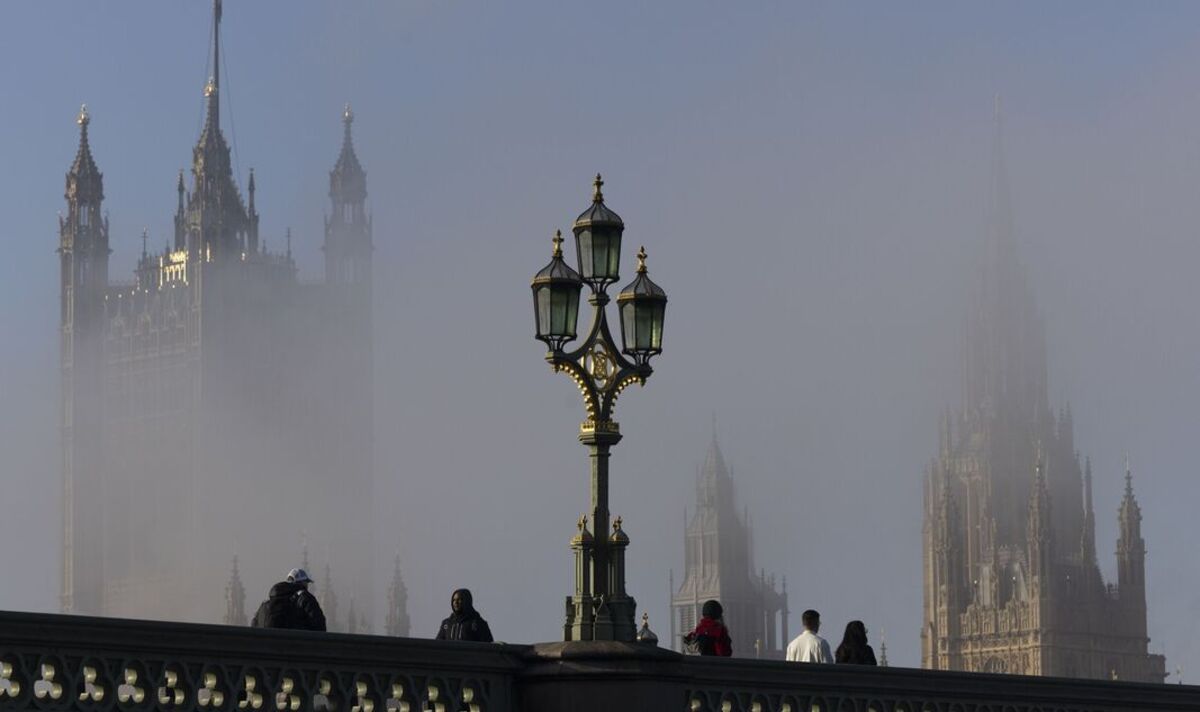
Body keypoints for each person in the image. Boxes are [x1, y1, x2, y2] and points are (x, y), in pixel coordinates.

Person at [251, 568, 327, 631]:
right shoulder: (304, 598)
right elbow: (320, 625)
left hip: (264, 646)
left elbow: (254, 625)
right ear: (303, 584)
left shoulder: (267, 604)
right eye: (306, 583)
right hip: (294, 646)